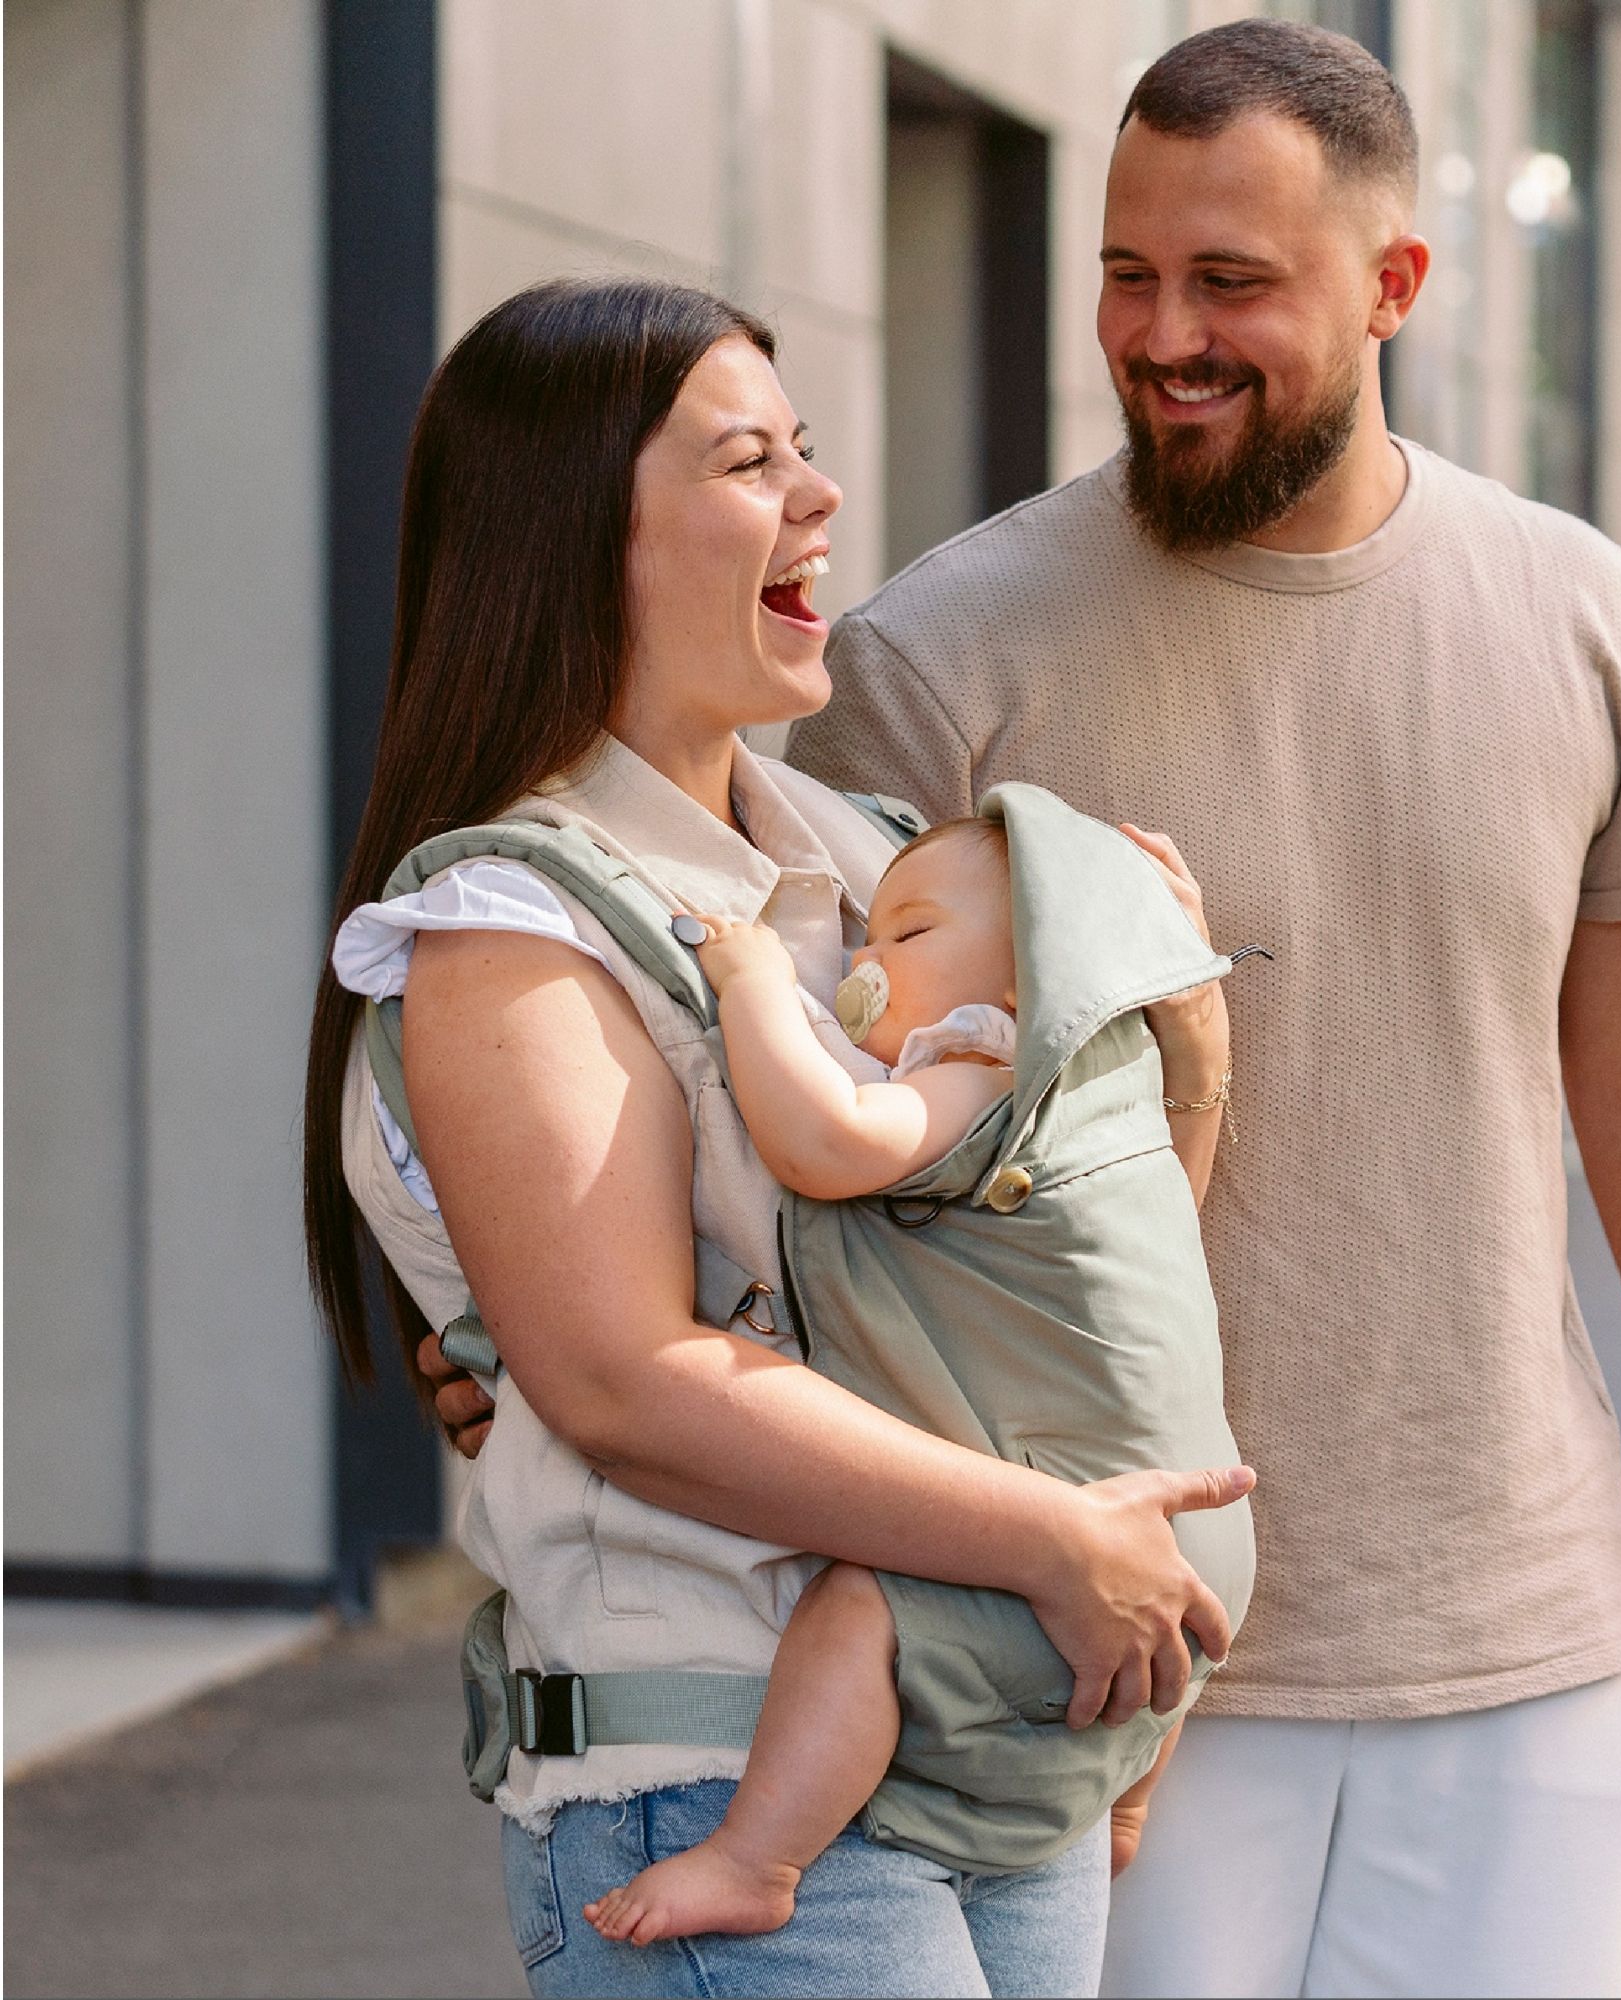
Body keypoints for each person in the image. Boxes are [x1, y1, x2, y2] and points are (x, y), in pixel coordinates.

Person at [789, 21, 1621, 1998]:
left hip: (1510, 1619)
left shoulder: (1573, 611)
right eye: (1128, 272)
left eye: (1230, 283)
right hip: (1092, 1644)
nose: (1160, 333)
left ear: (1391, 289)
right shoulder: (941, 659)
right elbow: (805, 1141)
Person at [307, 276, 1253, 2000]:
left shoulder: (887, 855)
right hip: (718, 1784)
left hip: (983, 1749)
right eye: (751, 463)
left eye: (805, 450)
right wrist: (1051, 1541)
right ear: (575, 538)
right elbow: (624, 1386)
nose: (821, 496)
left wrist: (1186, 1066)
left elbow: (1062, 1259)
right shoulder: (512, 925)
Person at [583, 802, 1254, 1948]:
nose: (862, 959)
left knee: (859, 1607)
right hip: (1205, 1547)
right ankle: (1119, 1795)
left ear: (1035, 974)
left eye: (907, 932)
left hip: (1099, 1531)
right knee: (1158, 1670)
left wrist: (749, 980)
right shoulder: (1115, 1098)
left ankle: (757, 1854)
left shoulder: (984, 1063)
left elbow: (827, 1140)